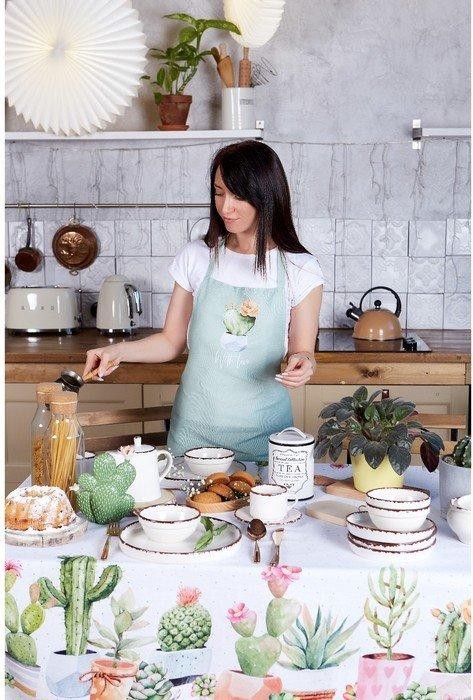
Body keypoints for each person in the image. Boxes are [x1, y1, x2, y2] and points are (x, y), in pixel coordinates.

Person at [83, 140, 324, 461]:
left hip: (265, 436)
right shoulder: (197, 256)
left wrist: (304, 365)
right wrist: (116, 351)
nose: (225, 207)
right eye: (219, 193)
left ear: (266, 196)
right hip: (193, 432)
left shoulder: (300, 268)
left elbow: (302, 351)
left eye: (238, 195)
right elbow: (170, 342)